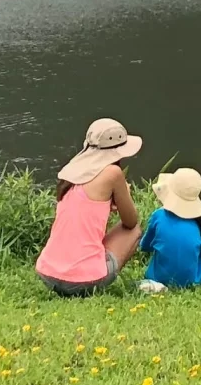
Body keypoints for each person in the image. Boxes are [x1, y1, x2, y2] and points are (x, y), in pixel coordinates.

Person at [36, 117, 143, 296]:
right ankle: (93, 285)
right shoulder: (113, 173)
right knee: (134, 230)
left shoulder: (71, 174)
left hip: (48, 274)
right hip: (83, 282)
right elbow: (131, 221)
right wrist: (125, 194)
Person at [136, 167, 201, 290]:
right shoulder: (199, 223)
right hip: (194, 281)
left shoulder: (158, 216)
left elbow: (145, 246)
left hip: (157, 278)